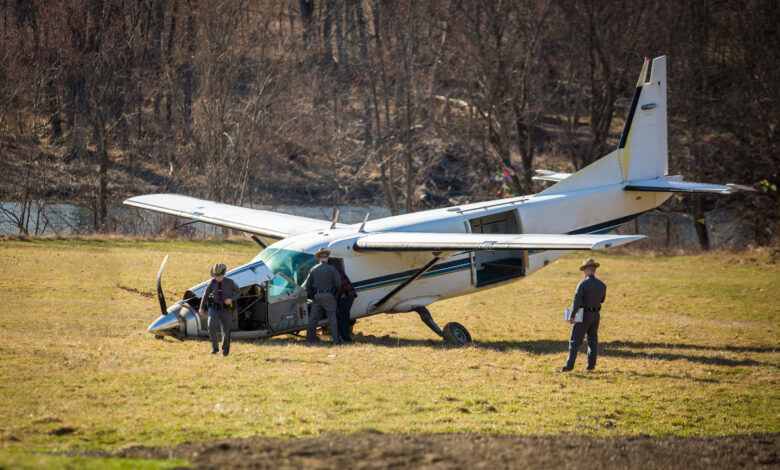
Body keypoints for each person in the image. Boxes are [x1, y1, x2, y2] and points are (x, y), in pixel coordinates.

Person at [557, 258, 607, 372]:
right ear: (594, 270)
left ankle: (568, 368)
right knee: (592, 341)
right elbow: (602, 300)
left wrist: (572, 316)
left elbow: (577, 302)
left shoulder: (582, 284)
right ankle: (590, 367)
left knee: (575, 341)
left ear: (586, 270)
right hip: (596, 315)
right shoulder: (602, 285)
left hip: (584, 315)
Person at [199, 263, 240, 356]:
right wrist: (201, 307)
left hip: (226, 310)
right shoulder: (212, 282)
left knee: (226, 330)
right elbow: (205, 295)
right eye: (216, 276)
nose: (218, 278)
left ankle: (225, 351)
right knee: (211, 325)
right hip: (214, 308)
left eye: (220, 276)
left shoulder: (231, 282)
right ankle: (214, 347)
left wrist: (231, 299)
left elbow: (238, 292)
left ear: (224, 274)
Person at [304, 248, 342, 345]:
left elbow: (307, 286)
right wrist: (336, 294)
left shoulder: (313, 269)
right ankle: (336, 341)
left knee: (312, 320)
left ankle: (309, 340)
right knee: (332, 319)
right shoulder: (332, 269)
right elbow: (338, 284)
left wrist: (313, 295)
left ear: (319, 259)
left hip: (317, 296)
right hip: (329, 296)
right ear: (327, 258)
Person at [329, 258, 357, 343]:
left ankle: (346, 339)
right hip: (347, 294)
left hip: (347, 294)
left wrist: (340, 294)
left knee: (343, 317)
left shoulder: (332, 270)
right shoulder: (333, 268)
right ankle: (344, 337)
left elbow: (340, 285)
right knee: (342, 316)